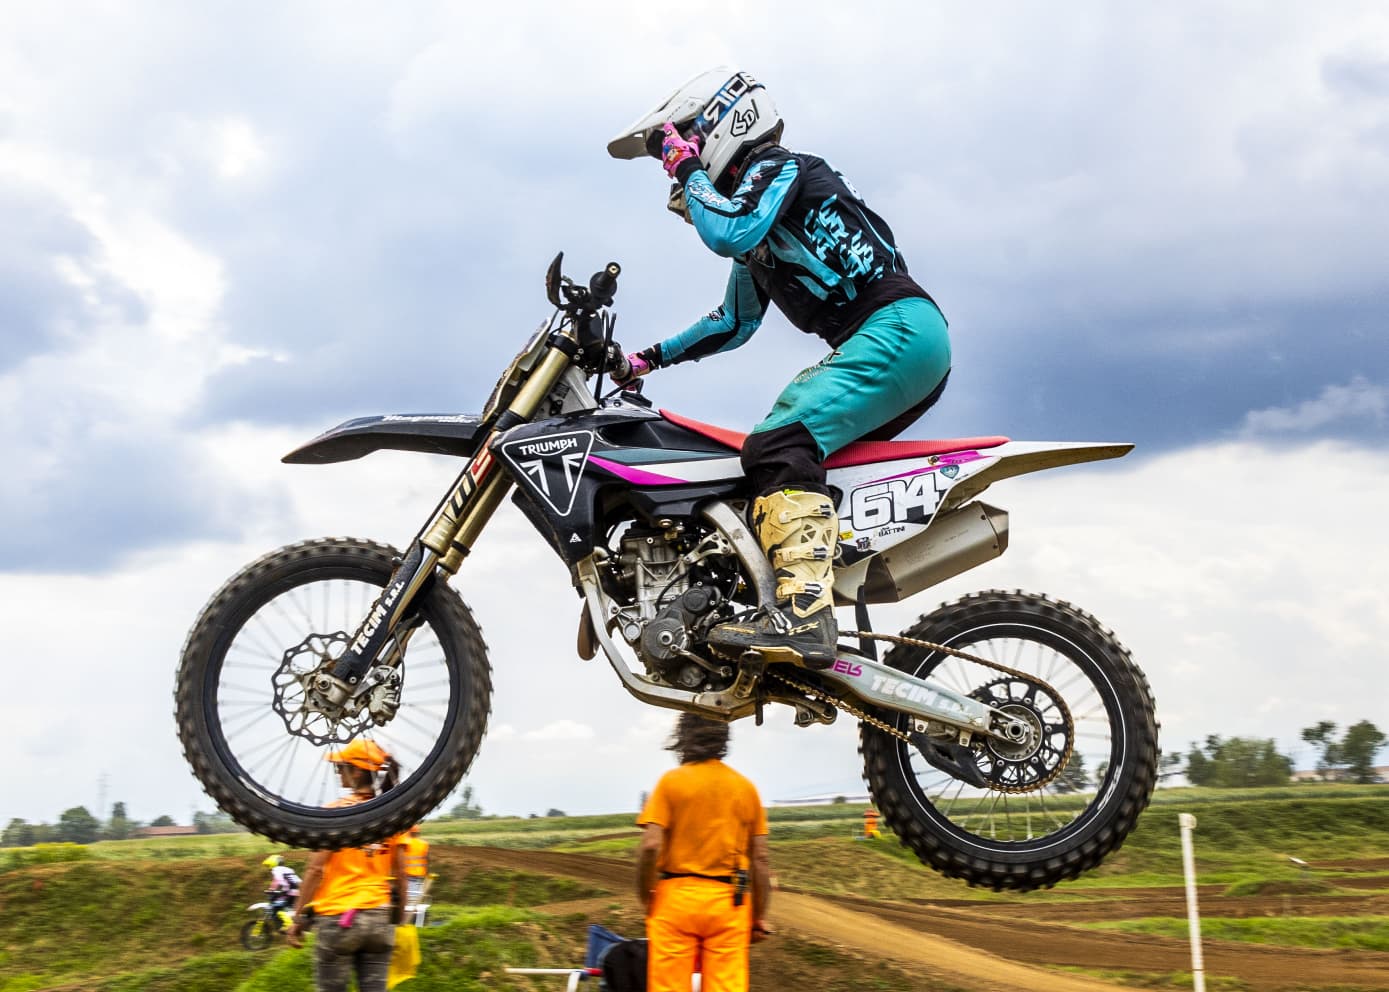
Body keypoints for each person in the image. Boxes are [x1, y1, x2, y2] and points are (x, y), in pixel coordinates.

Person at [608, 68, 952, 669]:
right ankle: (802, 626)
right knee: (785, 469)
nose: (679, 166)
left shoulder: (781, 168)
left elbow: (729, 229)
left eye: (686, 143)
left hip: (898, 328)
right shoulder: (759, 235)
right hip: (895, 339)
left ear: (721, 125)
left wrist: (685, 168)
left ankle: (804, 616)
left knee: (778, 443)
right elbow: (732, 322)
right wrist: (645, 359)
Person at [637, 712, 772, 992]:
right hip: (728, 902)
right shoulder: (745, 788)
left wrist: (646, 895)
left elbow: (650, 846)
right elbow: (760, 860)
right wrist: (758, 916)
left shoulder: (670, 782)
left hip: (675, 899)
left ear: (683, 736)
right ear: (723, 739)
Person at [286, 739, 407, 992]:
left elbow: (315, 870)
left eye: (340, 767)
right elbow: (401, 873)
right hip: (379, 919)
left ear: (357, 771)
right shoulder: (391, 817)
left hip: (339, 919)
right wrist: (400, 917)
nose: (338, 772)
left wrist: (297, 918)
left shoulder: (336, 814)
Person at [262, 853, 301, 930]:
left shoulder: (276, 869)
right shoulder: (288, 869)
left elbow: (278, 880)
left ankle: (288, 924)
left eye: (269, 865)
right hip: (296, 891)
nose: (269, 868)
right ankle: (290, 922)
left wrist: (275, 890)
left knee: (277, 907)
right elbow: (297, 880)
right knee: (287, 908)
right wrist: (272, 890)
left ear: (273, 863)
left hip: (289, 891)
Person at [401, 824, 430, 908]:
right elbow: (427, 859)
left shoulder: (405, 843)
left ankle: (410, 912)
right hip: (420, 874)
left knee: (409, 898)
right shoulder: (424, 843)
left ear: (409, 832)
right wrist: (426, 873)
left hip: (407, 873)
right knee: (417, 895)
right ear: (418, 833)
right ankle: (414, 910)